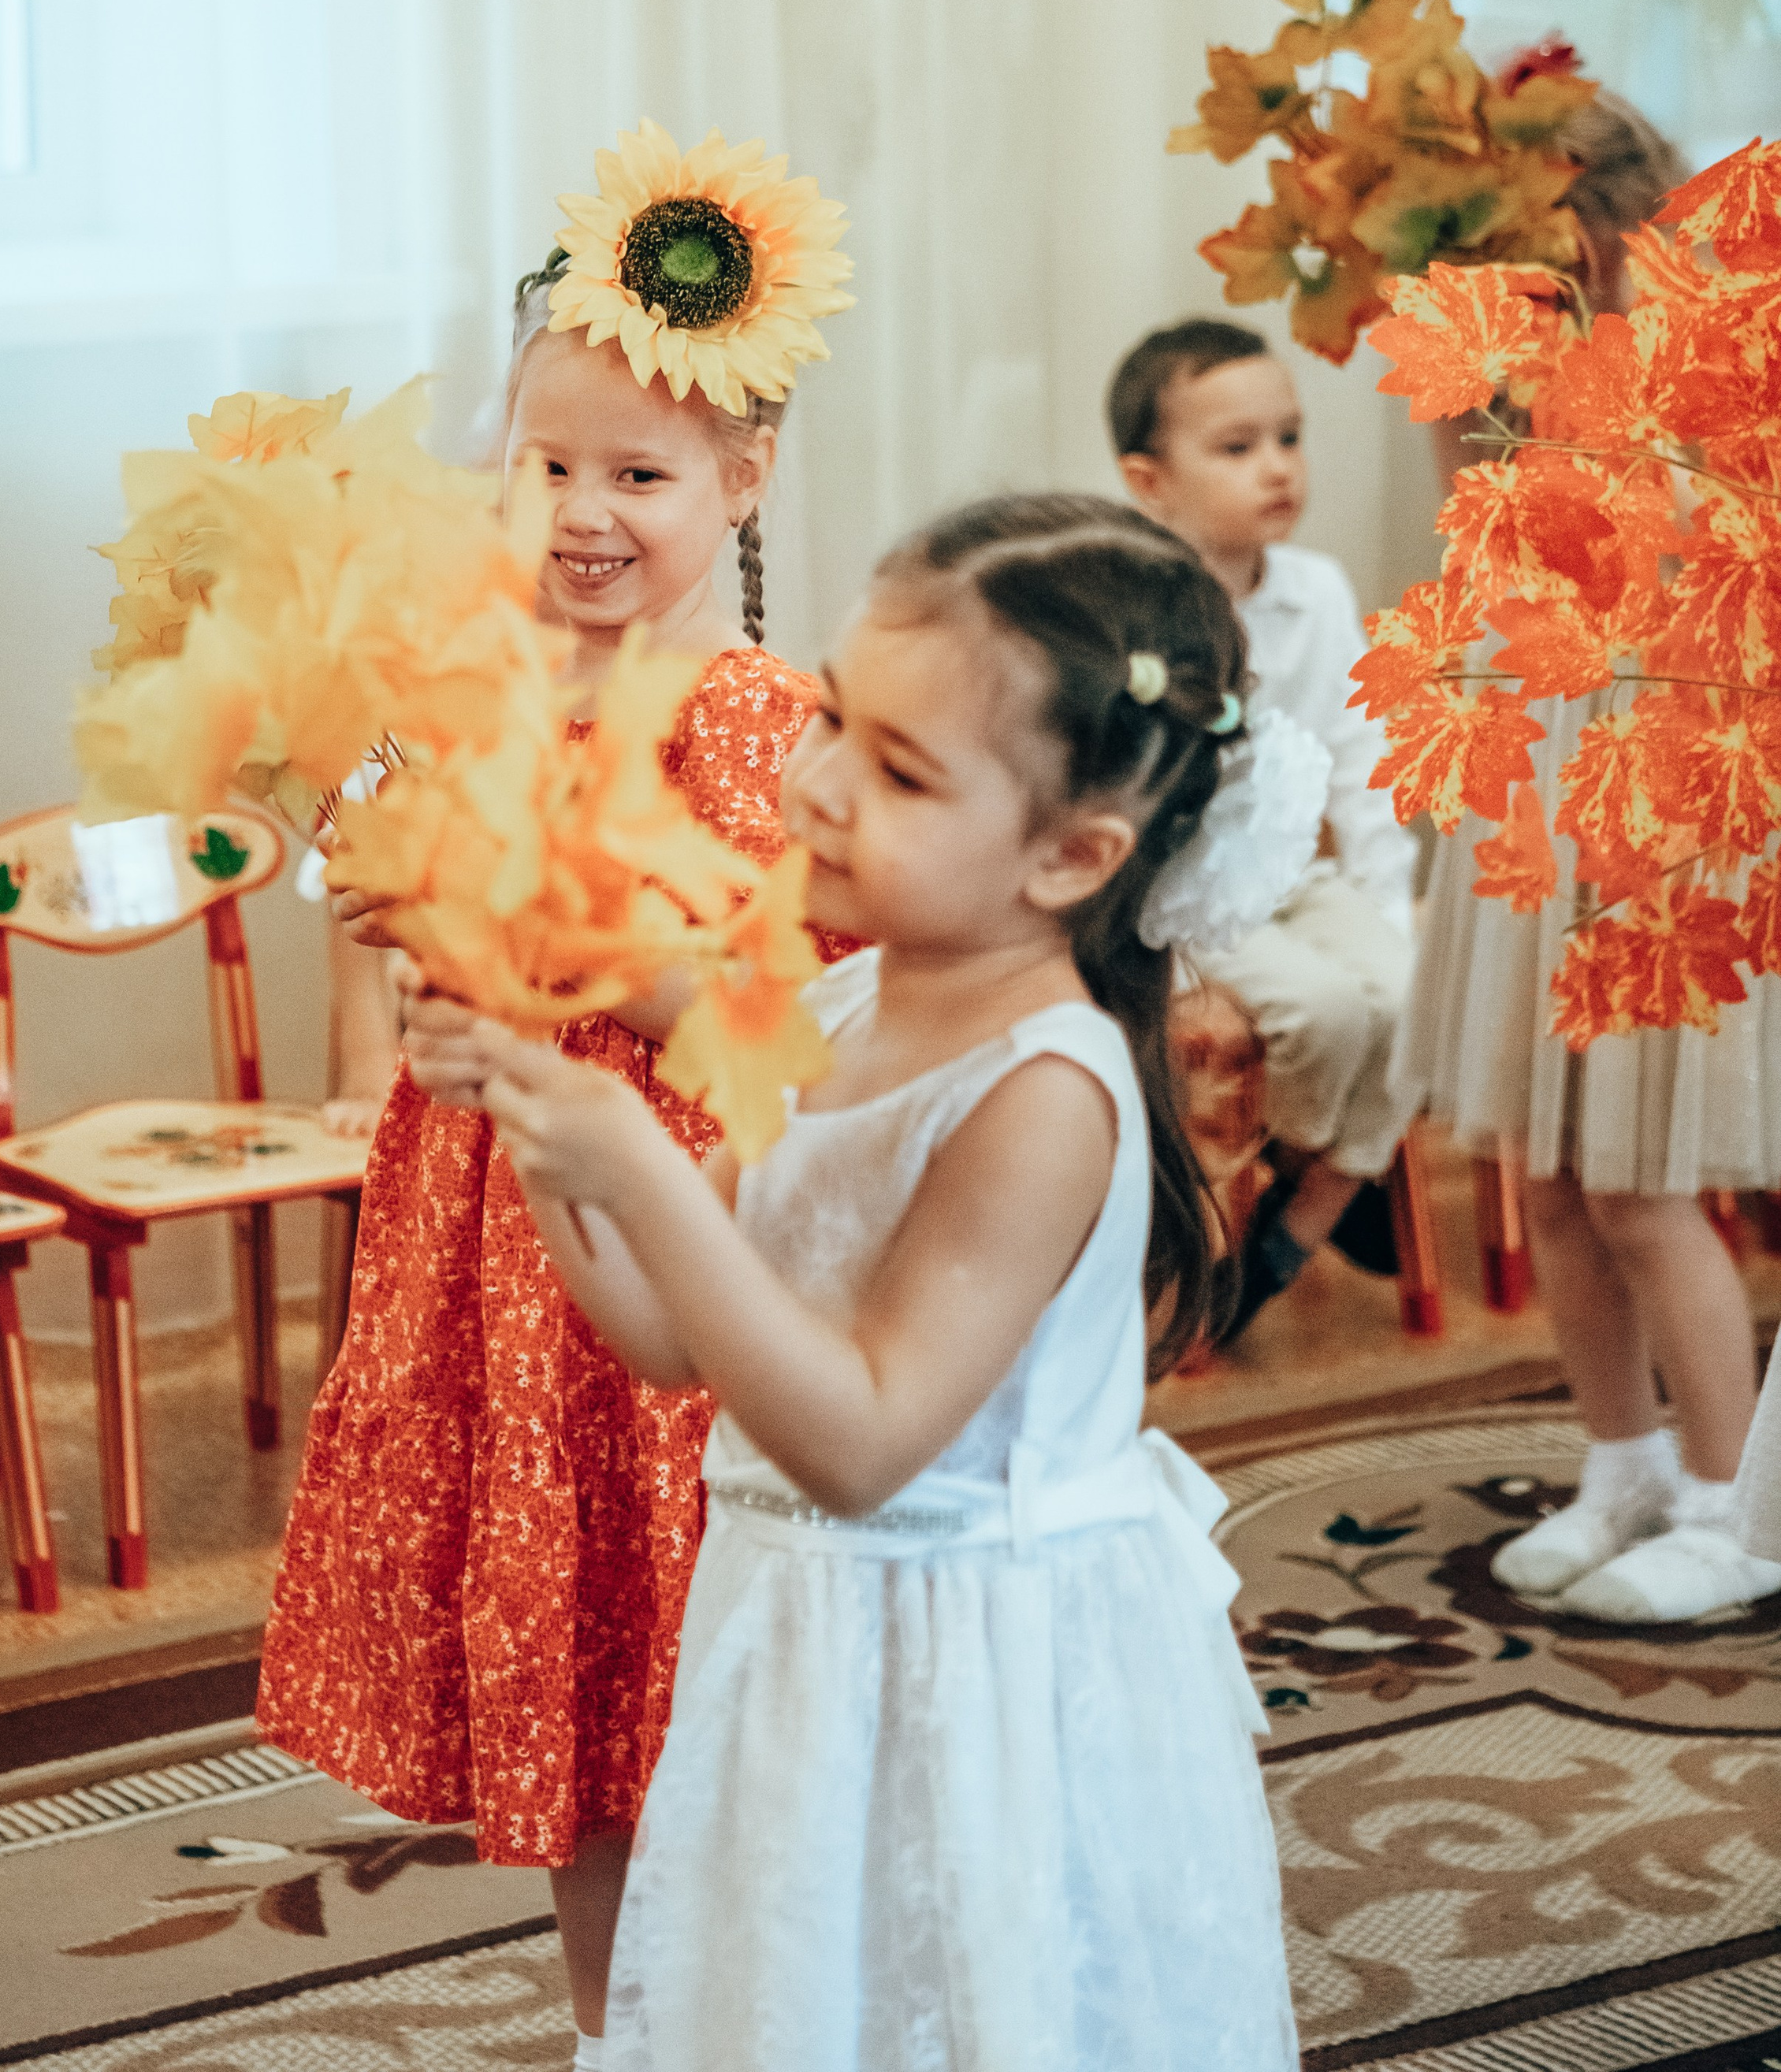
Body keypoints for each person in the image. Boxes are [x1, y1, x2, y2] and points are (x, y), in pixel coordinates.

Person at [411, 496, 1307, 2072]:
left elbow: (861, 1439)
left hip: (981, 1668)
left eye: (896, 771)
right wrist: (535, 1115)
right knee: (803, 1991)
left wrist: (628, 1157)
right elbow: (670, 1338)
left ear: (1069, 854)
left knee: (971, 2003)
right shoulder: (831, 1003)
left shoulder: (1046, 1090)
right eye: (831, 715)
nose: (813, 783)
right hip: (805, 1634)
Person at [255, 129, 853, 2045]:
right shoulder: (473, 693)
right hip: (489, 1230)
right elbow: (395, 899)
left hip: (664, 1240)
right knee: (582, 1690)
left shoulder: (754, 716)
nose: (584, 512)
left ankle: (753, 2007)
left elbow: (773, 1028)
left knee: (694, 1657)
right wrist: (426, 982)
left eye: (639, 474)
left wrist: (568, 962)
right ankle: (615, 2028)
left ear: (741, 479)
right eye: (544, 465)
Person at [1389, 87, 1781, 1622]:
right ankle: (1615, 1464)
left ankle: (1723, 1497)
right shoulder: (1481, 374)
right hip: (1529, 788)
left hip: (1655, 796)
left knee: (1639, 1183)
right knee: (1544, 1169)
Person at [1111, 317, 1415, 1337]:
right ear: (1149, 481)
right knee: (1329, 1017)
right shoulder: (1130, 606)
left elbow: (1361, 760)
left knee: (1415, 995)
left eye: (1289, 437)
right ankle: (1331, 1178)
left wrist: (1387, 902)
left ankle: (1315, 1193)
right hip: (1185, 890)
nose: (1278, 468)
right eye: (1238, 449)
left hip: (1297, 881)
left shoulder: (1315, 590)